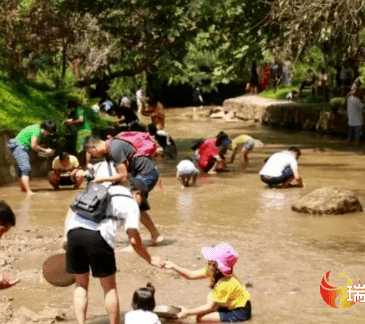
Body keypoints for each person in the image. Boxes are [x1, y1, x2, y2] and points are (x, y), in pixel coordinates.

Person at [63, 178, 163, 324]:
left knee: (81, 284)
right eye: (142, 201)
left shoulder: (102, 187)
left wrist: (65, 236)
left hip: (74, 232)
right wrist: (149, 259)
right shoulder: (131, 202)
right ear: (137, 193)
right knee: (109, 287)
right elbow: (134, 240)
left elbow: (72, 207)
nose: (141, 205)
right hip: (98, 236)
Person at [84, 135, 163, 244]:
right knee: (136, 206)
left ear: (94, 147)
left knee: (131, 203)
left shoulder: (114, 148)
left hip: (146, 174)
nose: (92, 156)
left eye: (91, 153)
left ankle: (135, 242)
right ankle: (155, 235)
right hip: (141, 174)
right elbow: (118, 176)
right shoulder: (109, 151)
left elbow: (123, 176)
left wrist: (99, 180)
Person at [164, 243, 252, 322]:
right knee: (209, 299)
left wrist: (187, 311)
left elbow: (211, 307)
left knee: (200, 318)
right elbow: (191, 275)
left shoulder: (225, 284)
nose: (208, 262)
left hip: (240, 312)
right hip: (228, 304)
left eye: (210, 260)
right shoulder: (212, 271)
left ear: (215, 266)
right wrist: (173, 266)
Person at [7, 119, 56, 194]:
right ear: (46, 129)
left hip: (18, 146)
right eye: (49, 132)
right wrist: (45, 150)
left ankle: (23, 190)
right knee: (25, 168)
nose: (48, 134)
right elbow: (34, 146)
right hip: (20, 147)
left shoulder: (35, 128)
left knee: (21, 170)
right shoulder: (37, 131)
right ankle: (28, 192)